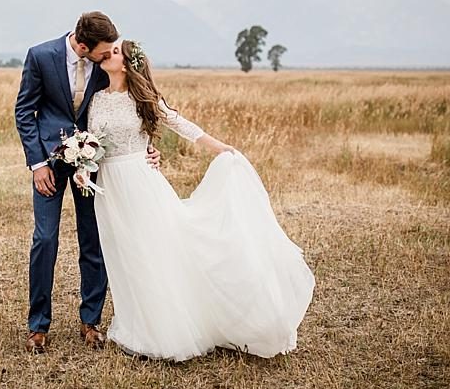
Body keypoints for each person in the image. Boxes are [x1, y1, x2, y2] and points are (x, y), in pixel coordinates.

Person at [84, 39, 315, 361]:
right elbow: (91, 141)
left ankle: (165, 330)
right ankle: (138, 322)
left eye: (116, 51)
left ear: (126, 64)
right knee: (123, 253)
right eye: (108, 51)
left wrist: (220, 147)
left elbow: (179, 123)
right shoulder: (96, 99)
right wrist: (83, 164)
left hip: (139, 182)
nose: (108, 53)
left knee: (153, 251)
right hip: (108, 185)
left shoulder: (142, 98)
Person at [14, 12, 160, 354]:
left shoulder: (104, 61)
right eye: (103, 51)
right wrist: (37, 164)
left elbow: (129, 104)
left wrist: (146, 148)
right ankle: (38, 326)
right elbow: (25, 110)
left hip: (95, 163)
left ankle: (90, 320)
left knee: (93, 239)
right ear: (83, 45)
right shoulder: (40, 56)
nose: (109, 55)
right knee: (45, 239)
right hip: (48, 164)